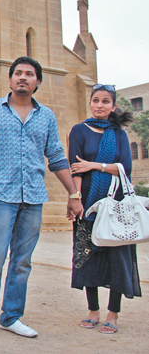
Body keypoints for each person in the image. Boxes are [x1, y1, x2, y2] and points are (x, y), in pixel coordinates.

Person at [0, 56, 84, 339]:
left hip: (34, 197)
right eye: (18, 73)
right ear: (10, 79)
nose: (23, 77)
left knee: (22, 261)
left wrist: (73, 193)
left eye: (29, 74)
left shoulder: (46, 116)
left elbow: (57, 157)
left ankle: (11, 316)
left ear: (37, 82)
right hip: (1, 195)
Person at [68, 84, 139, 334]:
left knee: (117, 259)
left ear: (113, 106)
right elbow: (75, 168)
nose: (100, 105)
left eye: (105, 101)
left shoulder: (119, 133)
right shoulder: (78, 131)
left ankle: (113, 313)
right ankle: (93, 311)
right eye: (96, 100)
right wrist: (75, 199)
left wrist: (95, 165)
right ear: (90, 103)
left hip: (115, 206)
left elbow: (125, 168)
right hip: (88, 204)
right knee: (89, 256)